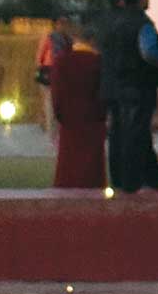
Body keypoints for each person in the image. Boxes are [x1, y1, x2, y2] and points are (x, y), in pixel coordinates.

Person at [100, 0, 158, 195]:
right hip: (138, 85)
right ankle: (133, 181)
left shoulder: (112, 22)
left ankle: (120, 179)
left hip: (114, 86)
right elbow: (150, 53)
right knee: (136, 133)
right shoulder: (142, 24)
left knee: (118, 133)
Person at [41, 12, 109, 190]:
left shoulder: (62, 61)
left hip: (69, 118)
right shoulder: (98, 62)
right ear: (93, 41)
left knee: (68, 160)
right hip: (93, 118)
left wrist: (59, 113)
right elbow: (103, 93)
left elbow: (57, 92)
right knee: (92, 163)